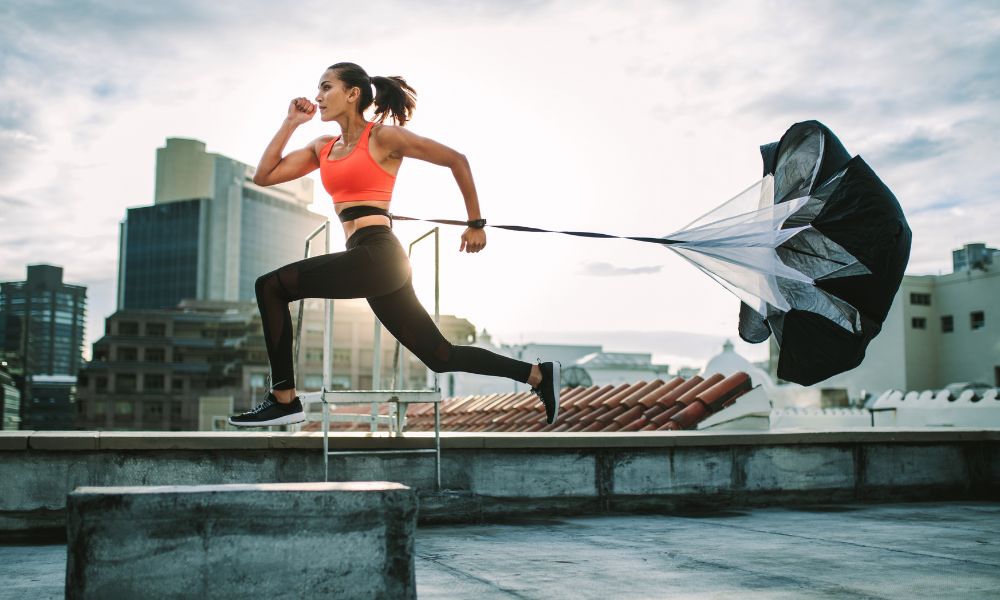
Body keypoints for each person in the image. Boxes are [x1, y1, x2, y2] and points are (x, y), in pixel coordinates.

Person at [229, 62, 560, 427]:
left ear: (353, 94)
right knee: (440, 356)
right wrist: (291, 123)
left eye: (326, 88)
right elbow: (264, 176)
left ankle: (283, 398)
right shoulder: (322, 147)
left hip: (379, 253)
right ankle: (537, 375)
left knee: (270, 287)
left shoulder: (382, 138)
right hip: (368, 259)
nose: (318, 97)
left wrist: (475, 223)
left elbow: (456, 160)